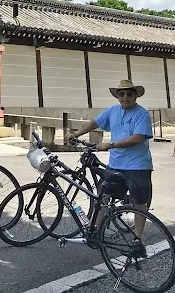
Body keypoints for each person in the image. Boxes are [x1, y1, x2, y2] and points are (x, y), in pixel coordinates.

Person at [66, 78, 153, 238]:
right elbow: (94, 123)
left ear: (135, 96)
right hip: (115, 164)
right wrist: (76, 134)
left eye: (129, 94)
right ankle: (96, 231)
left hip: (138, 165)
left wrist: (109, 145)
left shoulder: (142, 114)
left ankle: (138, 238)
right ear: (117, 96)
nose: (125, 97)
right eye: (121, 94)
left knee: (139, 203)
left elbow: (137, 138)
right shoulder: (113, 111)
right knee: (103, 196)